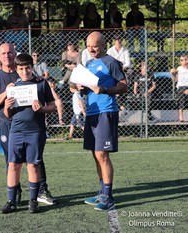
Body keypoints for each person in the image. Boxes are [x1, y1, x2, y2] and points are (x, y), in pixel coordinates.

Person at [0, 43, 58, 208]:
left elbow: (51, 101)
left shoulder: (36, 80)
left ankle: (40, 192)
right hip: (9, 125)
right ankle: (14, 196)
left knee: (35, 162)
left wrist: (41, 80)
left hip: (34, 126)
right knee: (12, 163)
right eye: (3, 53)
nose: (7, 56)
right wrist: (6, 96)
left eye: (10, 52)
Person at [82, 31, 128, 211]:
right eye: (88, 45)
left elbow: (123, 86)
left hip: (106, 111)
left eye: (95, 45)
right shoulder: (88, 63)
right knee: (95, 154)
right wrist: (80, 87)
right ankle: (102, 192)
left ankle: (108, 197)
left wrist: (105, 90)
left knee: (102, 154)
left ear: (103, 45)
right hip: (92, 113)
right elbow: (89, 88)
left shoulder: (111, 62)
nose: (91, 49)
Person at [107, 34, 132, 114]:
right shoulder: (110, 51)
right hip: (113, 70)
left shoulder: (125, 50)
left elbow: (127, 62)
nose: (118, 41)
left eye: (120, 39)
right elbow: (108, 62)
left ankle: (120, 105)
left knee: (123, 84)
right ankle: (121, 105)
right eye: (117, 39)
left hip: (123, 70)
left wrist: (123, 67)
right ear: (114, 41)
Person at [170, 55, 188, 122]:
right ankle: (180, 116)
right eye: (181, 60)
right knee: (181, 99)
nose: (182, 61)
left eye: (183, 60)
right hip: (181, 87)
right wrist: (173, 74)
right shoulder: (179, 68)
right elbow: (175, 80)